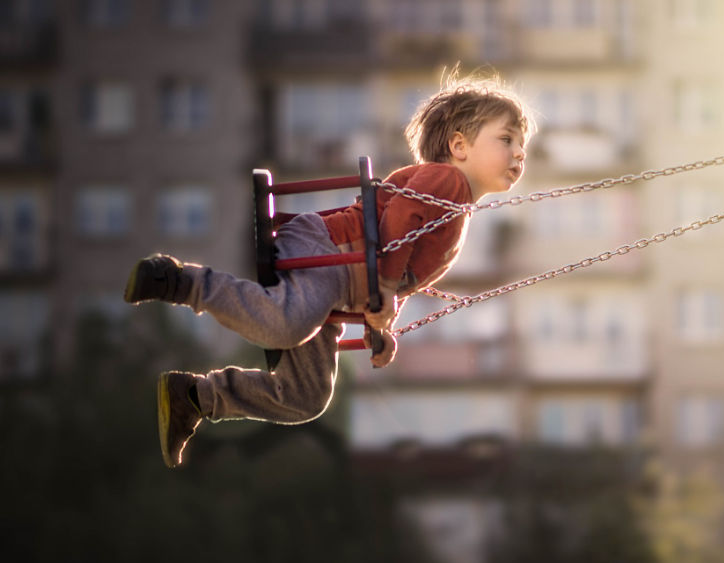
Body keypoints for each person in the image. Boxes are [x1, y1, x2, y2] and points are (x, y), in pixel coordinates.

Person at [123, 73, 533, 468]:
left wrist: (381, 324)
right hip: (326, 247)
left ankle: (194, 397)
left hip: (339, 285)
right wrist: (385, 286)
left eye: (522, 145)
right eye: (506, 139)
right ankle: (178, 281)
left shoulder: (456, 208)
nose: (519, 153)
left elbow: (400, 267)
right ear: (459, 145)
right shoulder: (447, 181)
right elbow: (399, 222)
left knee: (306, 396)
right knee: (287, 324)